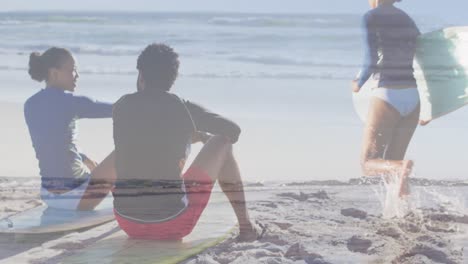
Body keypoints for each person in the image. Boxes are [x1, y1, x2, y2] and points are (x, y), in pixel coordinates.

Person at [112, 43, 262, 241]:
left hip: (127, 222)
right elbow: (233, 131)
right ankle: (246, 227)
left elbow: (148, 139)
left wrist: (185, 136)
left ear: (141, 75)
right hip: (172, 223)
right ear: (172, 79)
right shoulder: (181, 107)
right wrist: (195, 130)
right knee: (223, 142)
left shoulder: (121, 106)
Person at [25, 47, 116, 211]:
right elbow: (118, 110)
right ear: (54, 73)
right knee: (122, 152)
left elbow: (51, 143)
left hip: (48, 194)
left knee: (92, 168)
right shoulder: (70, 103)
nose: (77, 75)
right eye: (73, 70)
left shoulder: (30, 104)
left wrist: (84, 158)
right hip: (75, 196)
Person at [352, 0, 421, 197]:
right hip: (414, 97)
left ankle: (403, 168)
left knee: (368, 163)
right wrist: (433, 109)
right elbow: (425, 55)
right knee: (393, 166)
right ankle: (399, 215)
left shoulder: (371, 16)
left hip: (388, 93)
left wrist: (359, 82)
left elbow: (371, 60)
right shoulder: (408, 20)